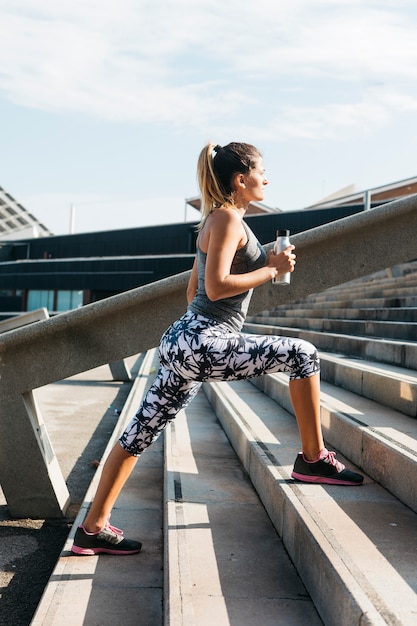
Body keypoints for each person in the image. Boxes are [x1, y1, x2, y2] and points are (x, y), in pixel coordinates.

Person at [72, 141, 363, 556]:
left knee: (138, 434)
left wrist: (259, 274)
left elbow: (193, 289)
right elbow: (214, 287)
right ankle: (313, 459)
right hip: (207, 339)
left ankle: (92, 528)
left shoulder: (216, 219)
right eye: (262, 171)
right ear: (241, 180)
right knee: (304, 355)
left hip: (182, 340)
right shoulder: (227, 219)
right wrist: (270, 269)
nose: (267, 178)